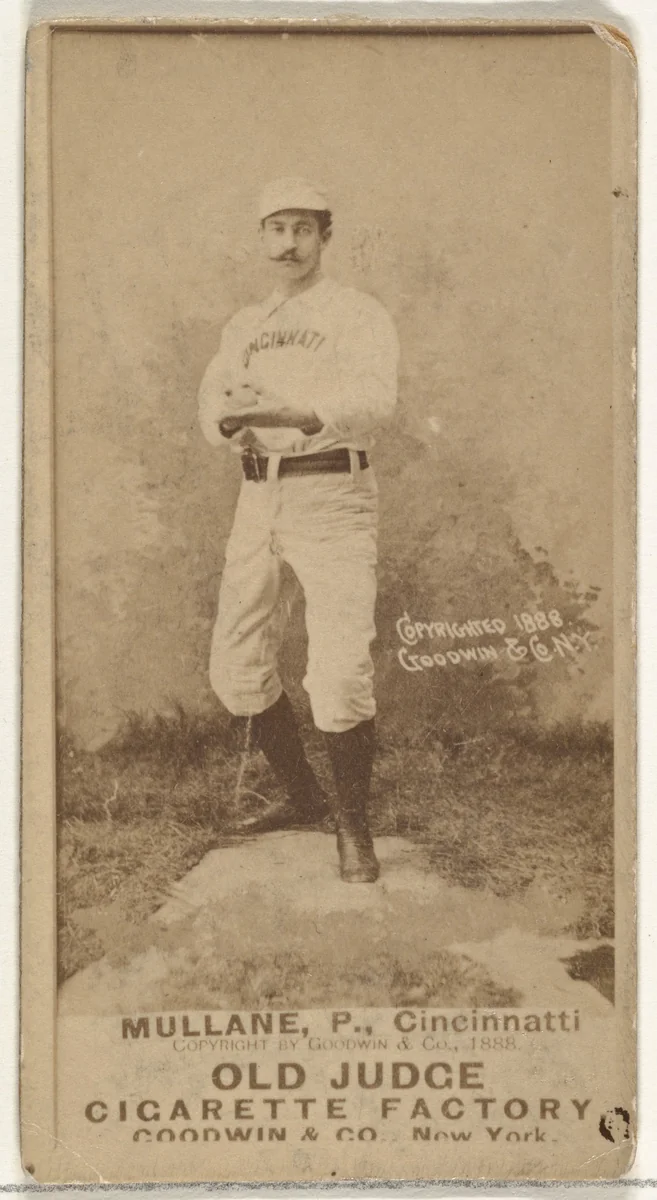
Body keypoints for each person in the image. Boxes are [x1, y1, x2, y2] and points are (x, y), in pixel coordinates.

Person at [198, 177, 399, 883]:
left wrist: (292, 411)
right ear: (262, 238)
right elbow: (211, 407)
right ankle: (304, 796)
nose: (288, 244)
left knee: (338, 668)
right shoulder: (244, 324)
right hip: (259, 494)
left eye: (303, 230)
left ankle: (353, 827)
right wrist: (232, 419)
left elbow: (375, 400)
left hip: (331, 489)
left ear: (324, 237)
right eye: (276, 229)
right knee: (235, 664)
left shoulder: (355, 312)